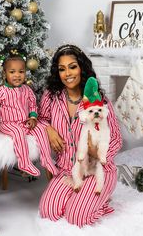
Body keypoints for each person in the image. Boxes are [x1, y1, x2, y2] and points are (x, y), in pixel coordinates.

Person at [38, 44, 122, 227]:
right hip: (68, 170)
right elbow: (40, 119)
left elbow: (115, 138)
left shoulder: (98, 101)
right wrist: (49, 129)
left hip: (97, 170)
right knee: (48, 211)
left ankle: (99, 200)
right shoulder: (51, 97)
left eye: (72, 66)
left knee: (76, 217)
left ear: (82, 68)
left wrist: (98, 154)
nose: (67, 73)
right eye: (62, 69)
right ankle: (81, 198)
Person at [0, 52, 58, 177]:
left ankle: (46, 159)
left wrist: (33, 117)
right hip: (8, 124)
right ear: (5, 74)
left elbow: (32, 106)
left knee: (41, 129)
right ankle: (24, 162)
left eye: (21, 72)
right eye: (12, 72)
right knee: (18, 132)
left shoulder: (26, 89)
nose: (17, 75)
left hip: (25, 122)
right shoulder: (1, 91)